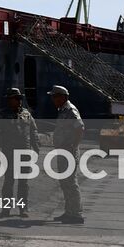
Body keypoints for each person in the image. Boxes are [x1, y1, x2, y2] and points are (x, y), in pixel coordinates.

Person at [0, 87, 38, 218]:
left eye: (19, 99)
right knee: (9, 181)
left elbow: (33, 131)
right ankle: (6, 209)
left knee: (23, 183)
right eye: (14, 99)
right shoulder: (2, 115)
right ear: (9, 100)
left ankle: (23, 208)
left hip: (25, 152)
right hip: (9, 152)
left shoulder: (27, 114)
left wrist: (36, 148)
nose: (17, 101)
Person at [48, 85, 84, 224]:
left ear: (63, 97)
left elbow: (80, 128)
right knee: (64, 182)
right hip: (63, 152)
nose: (53, 99)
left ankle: (76, 214)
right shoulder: (63, 110)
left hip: (68, 152)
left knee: (70, 182)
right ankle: (69, 212)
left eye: (55, 96)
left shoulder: (70, 110)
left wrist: (73, 146)